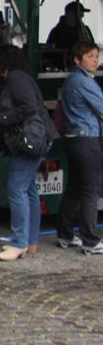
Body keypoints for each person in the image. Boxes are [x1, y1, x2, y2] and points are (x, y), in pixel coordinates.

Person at [0, 44, 57, 261]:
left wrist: (1, 118)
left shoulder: (16, 78)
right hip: (39, 139)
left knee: (16, 189)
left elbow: (28, 107)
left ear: (5, 60)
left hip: (29, 142)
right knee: (29, 190)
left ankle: (19, 243)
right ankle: (30, 240)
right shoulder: (17, 78)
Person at [57, 41, 103, 255]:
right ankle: (90, 240)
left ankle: (65, 233)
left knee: (75, 188)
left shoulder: (72, 80)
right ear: (77, 59)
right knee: (90, 191)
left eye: (97, 56)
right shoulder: (83, 81)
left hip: (73, 139)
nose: (96, 60)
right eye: (90, 56)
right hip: (86, 139)